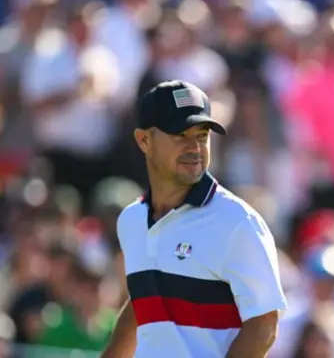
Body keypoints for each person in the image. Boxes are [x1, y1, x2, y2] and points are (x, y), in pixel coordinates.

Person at [100, 80, 288, 358]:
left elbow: (263, 327)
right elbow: (144, 303)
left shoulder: (238, 221)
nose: (194, 147)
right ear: (144, 140)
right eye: (180, 135)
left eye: (201, 136)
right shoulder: (131, 220)